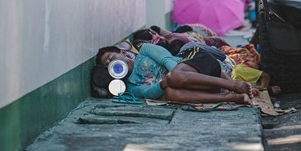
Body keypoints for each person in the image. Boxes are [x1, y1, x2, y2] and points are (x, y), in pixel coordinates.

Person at [95, 42, 258, 104]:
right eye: (107, 64)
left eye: (110, 57)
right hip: (191, 87)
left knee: (175, 77)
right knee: (171, 94)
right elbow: (148, 93)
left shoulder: (145, 50)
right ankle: (233, 98)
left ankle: (235, 85)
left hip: (196, 63)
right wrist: (167, 83)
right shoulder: (129, 86)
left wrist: (174, 79)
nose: (110, 63)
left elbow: (168, 61)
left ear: (123, 52)